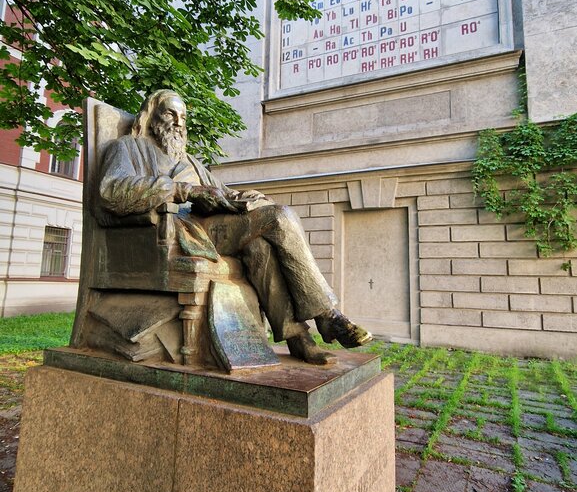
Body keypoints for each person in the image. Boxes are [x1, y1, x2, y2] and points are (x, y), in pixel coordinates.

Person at [98, 89, 372, 364]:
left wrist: (248, 198)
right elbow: (111, 190)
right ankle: (326, 316)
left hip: (210, 227)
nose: (178, 123)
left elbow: (224, 192)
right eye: (170, 114)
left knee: (260, 246)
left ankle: (298, 339)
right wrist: (184, 190)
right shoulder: (127, 148)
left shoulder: (190, 161)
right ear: (152, 117)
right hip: (175, 230)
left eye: (183, 117)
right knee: (280, 216)